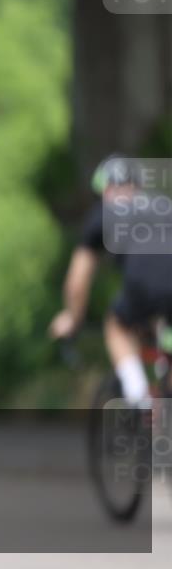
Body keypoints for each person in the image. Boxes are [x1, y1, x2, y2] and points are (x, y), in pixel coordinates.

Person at [49, 154, 172, 407]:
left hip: (142, 289)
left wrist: (73, 318)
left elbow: (78, 279)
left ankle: (140, 400)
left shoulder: (104, 212)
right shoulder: (164, 205)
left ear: (106, 188)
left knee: (117, 326)